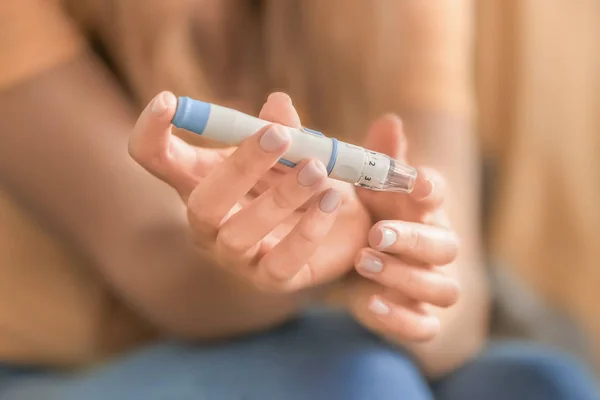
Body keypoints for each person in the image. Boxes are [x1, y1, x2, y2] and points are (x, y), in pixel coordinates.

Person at [0, 1, 597, 399]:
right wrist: (266, 257)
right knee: (356, 382)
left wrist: (404, 271)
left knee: (544, 386)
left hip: (333, 333)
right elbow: (156, 265)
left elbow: (455, 313)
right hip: (64, 365)